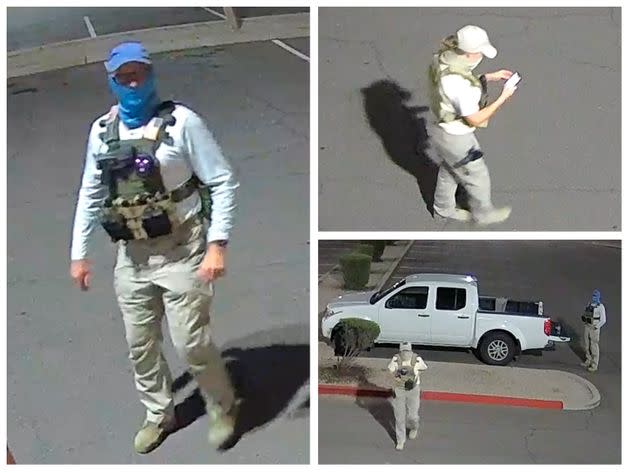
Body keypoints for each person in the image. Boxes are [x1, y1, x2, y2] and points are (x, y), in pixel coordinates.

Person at [69, 41, 240, 454]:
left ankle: (223, 404)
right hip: (132, 257)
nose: (131, 83)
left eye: (138, 74)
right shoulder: (102, 131)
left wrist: (217, 244)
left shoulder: (183, 123)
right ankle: (159, 414)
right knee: (139, 345)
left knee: (191, 344)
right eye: (122, 77)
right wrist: (79, 252)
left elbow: (222, 180)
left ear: (151, 75)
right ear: (111, 81)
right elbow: (91, 191)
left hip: (183, 251)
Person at [427, 24, 517, 225]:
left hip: (439, 127)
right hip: (455, 136)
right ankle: (483, 213)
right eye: (480, 53)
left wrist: (486, 78)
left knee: (451, 168)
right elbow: (474, 118)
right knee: (477, 174)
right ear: (469, 54)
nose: (481, 57)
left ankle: (442, 209)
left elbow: (450, 89)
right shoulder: (459, 85)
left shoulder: (442, 58)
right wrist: (503, 97)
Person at [387, 342, 428, 450]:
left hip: (413, 390)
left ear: (411, 350)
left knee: (412, 416)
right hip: (399, 390)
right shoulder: (396, 359)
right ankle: (400, 441)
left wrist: (417, 373)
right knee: (399, 418)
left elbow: (424, 368)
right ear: (400, 351)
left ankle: (414, 428)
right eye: (404, 351)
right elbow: (390, 370)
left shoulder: (417, 359)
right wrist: (396, 376)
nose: (406, 353)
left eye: (407, 351)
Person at [581, 289, 606, 372]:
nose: (594, 297)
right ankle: (588, 360)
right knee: (586, 344)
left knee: (594, 346)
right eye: (593, 295)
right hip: (587, 325)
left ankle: (594, 364)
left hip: (594, 327)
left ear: (598, 297)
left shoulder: (600, 307)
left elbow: (603, 320)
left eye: (595, 296)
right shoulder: (589, 304)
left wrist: (597, 326)